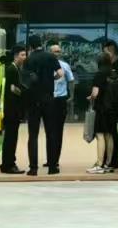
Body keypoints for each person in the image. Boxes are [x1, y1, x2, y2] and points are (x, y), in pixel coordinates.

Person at [87, 38, 118, 174]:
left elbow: (96, 93)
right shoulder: (112, 71)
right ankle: (109, 162)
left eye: (105, 52)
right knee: (110, 133)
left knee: (102, 134)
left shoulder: (110, 70)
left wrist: (91, 97)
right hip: (113, 106)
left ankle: (102, 163)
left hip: (104, 107)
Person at [22, 35, 59, 177]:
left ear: (30, 46)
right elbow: (60, 73)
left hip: (33, 100)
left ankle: (33, 168)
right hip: (48, 98)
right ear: (41, 44)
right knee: (51, 133)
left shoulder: (28, 60)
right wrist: (51, 79)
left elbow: (25, 80)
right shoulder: (50, 56)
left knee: (33, 135)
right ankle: (52, 167)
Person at [45, 40, 74, 174]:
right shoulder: (45, 65)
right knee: (49, 131)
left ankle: (55, 159)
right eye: (54, 51)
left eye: (58, 51)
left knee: (58, 131)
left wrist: (71, 96)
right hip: (49, 99)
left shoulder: (65, 65)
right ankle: (49, 159)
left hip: (60, 99)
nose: (57, 53)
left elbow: (71, 80)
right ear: (49, 52)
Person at [0, 46, 27, 174]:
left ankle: (8, 163)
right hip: (12, 110)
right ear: (16, 56)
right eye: (22, 55)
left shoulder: (15, 69)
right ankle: (8, 164)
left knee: (11, 137)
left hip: (13, 109)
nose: (24, 58)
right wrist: (24, 93)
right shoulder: (12, 69)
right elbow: (12, 88)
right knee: (11, 138)